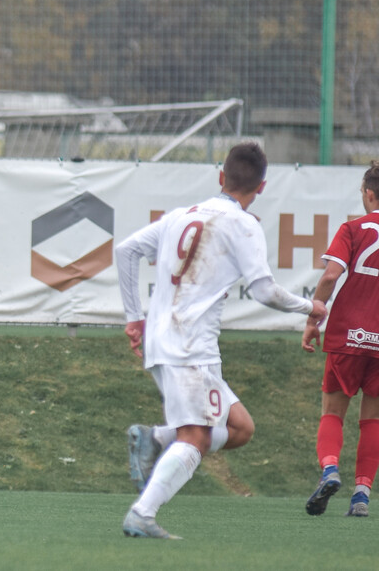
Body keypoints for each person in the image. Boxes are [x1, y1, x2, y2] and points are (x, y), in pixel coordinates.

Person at [116, 142, 326, 539]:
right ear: (261, 187)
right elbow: (264, 292)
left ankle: (155, 438)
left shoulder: (180, 215)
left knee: (241, 427)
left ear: (220, 176)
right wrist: (309, 307)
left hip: (163, 342)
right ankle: (143, 513)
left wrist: (134, 318)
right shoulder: (242, 223)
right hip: (191, 346)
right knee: (195, 436)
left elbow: (126, 250)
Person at [301, 160, 379, 518]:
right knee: (373, 419)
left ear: (368, 194)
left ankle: (331, 469)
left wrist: (315, 316)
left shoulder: (353, 228)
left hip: (348, 333)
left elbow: (332, 275)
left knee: (332, 411)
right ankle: (362, 493)